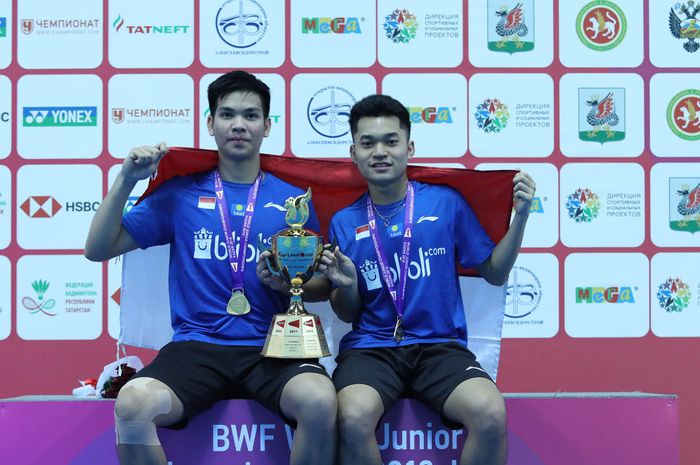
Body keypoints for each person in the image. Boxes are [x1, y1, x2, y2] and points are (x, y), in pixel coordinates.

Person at [84, 70, 337, 465]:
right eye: (227, 114)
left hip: (271, 347)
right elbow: (97, 249)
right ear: (210, 123)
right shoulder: (181, 194)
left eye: (251, 115)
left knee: (321, 401)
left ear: (267, 126)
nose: (239, 124)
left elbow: (318, 284)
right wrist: (126, 180)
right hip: (196, 347)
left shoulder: (293, 204)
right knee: (133, 405)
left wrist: (286, 285)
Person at [317, 94, 536, 465]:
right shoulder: (343, 221)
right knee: (352, 416)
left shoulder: (444, 203)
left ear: (409, 147)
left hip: (439, 348)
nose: (380, 151)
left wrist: (521, 218)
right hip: (372, 349)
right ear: (353, 153)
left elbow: (495, 274)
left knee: (490, 412)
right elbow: (348, 313)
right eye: (368, 143)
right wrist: (348, 285)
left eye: (391, 140)